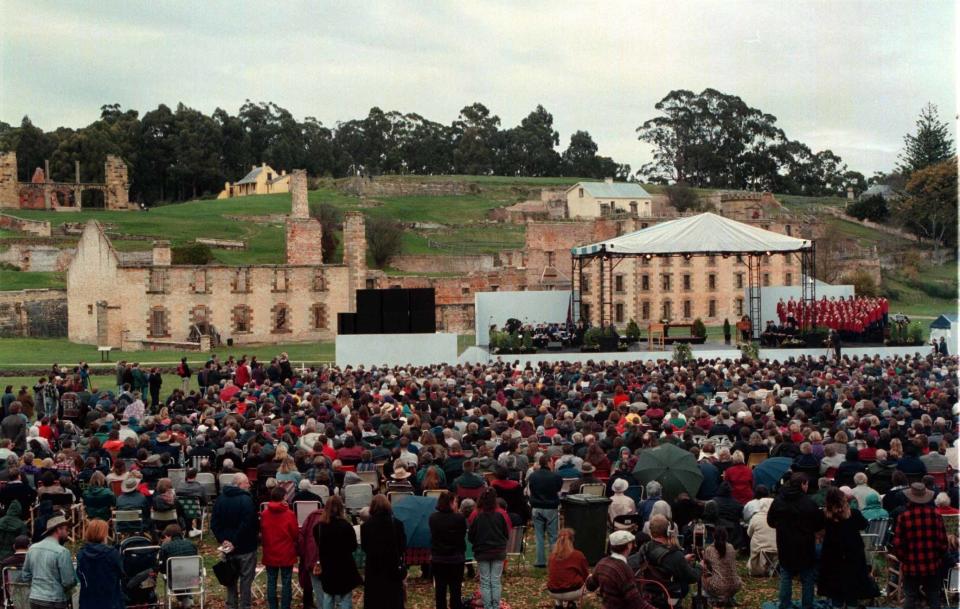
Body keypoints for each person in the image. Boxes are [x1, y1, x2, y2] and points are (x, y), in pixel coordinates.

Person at [767, 473, 824, 609]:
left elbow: (770, 521)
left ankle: (785, 604)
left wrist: (782, 527)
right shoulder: (809, 503)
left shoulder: (779, 501)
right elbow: (819, 524)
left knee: (786, 575)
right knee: (807, 577)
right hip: (805, 545)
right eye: (806, 484)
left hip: (785, 543)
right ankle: (807, 605)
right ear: (802, 485)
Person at [892, 482, 949, 609]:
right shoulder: (936, 515)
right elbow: (943, 543)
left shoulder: (904, 517)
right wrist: (936, 557)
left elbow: (897, 545)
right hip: (932, 565)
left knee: (910, 597)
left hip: (911, 566)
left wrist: (905, 560)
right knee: (933, 597)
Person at [817, 488, 877, 608]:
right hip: (853, 554)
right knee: (852, 589)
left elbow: (819, 532)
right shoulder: (854, 514)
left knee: (835, 589)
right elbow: (864, 524)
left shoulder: (824, 516)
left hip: (832, 555)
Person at [211, 473, 259, 609]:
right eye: (246, 483)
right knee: (245, 580)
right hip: (245, 547)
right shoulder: (246, 500)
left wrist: (224, 540)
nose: (249, 485)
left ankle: (231, 605)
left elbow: (214, 524)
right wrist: (231, 542)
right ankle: (244, 606)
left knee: (231, 579)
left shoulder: (220, 499)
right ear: (239, 484)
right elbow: (248, 524)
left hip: (229, 546)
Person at [636, 514, 700, 603]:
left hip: (648, 595)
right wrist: (699, 567)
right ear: (667, 531)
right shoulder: (675, 555)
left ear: (651, 531)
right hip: (669, 597)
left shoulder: (644, 549)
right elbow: (693, 577)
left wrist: (682, 560)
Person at [314, 495, 362, 609]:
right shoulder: (345, 526)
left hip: (327, 565)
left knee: (328, 595)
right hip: (344, 565)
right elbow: (353, 546)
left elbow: (318, 544)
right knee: (345, 596)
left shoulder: (319, 527)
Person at [20, 514, 76, 609]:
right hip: (54, 600)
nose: (68, 533)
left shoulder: (32, 548)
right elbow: (68, 582)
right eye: (66, 529)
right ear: (58, 529)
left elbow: (25, 576)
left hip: (35, 598)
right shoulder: (62, 551)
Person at [360, 495, 407, 609]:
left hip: (373, 568)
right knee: (393, 599)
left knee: (375, 600)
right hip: (392, 566)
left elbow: (365, 547)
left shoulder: (366, 526)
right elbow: (402, 545)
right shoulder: (397, 524)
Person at [585, 530, 651, 609]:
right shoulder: (624, 569)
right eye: (631, 543)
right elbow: (636, 602)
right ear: (629, 546)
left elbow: (590, 586)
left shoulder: (602, 563)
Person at [468, 488, 509, 609]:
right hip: (498, 551)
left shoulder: (477, 517)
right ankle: (495, 606)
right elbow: (506, 534)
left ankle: (488, 606)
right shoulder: (500, 516)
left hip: (482, 552)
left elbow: (471, 536)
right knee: (495, 581)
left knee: (485, 581)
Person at [261, 486, 300, 609]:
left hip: (270, 550)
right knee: (286, 582)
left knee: (271, 581)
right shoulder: (289, 514)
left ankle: (272, 606)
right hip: (286, 551)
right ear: (283, 497)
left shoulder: (265, 513)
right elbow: (295, 533)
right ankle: (285, 606)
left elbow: (262, 531)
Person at [429, 491, 467, 609]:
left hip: (438, 559)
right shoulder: (459, 518)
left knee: (440, 591)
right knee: (455, 590)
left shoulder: (433, 518)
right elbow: (461, 536)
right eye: (455, 501)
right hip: (455, 559)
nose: (456, 504)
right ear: (450, 503)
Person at [76, 518, 124, 609]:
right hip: (110, 601)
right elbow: (122, 573)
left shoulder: (81, 554)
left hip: (88, 602)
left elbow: (80, 575)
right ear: (103, 535)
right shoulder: (112, 553)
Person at [527, 455, 562, 568]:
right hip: (550, 507)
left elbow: (531, 489)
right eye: (552, 462)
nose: (553, 464)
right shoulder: (555, 476)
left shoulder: (533, 476)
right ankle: (554, 560)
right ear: (547, 463)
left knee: (539, 535)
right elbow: (558, 488)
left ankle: (540, 560)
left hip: (537, 507)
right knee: (553, 535)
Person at [546, 528, 590, 609]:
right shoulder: (578, 555)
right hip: (573, 591)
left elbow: (551, 573)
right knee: (588, 579)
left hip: (553, 591)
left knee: (559, 578)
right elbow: (585, 575)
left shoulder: (551, 556)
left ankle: (558, 604)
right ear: (572, 540)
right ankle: (572, 602)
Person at [701, 526, 742, 603]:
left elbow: (706, 567)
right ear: (726, 536)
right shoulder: (731, 547)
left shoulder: (709, 549)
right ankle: (728, 596)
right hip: (735, 585)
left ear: (714, 536)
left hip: (719, 586)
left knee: (702, 573)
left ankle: (711, 597)